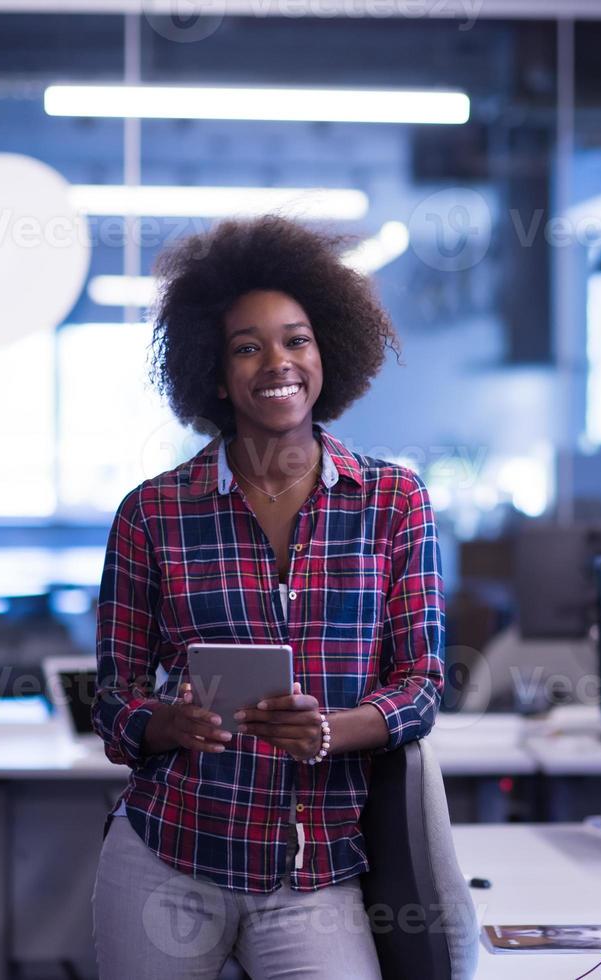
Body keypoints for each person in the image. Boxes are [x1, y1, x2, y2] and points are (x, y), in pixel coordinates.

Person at [90, 215, 445, 979]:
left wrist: (330, 731)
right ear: (215, 375)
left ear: (328, 352)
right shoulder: (153, 513)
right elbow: (111, 701)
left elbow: (420, 688)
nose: (276, 362)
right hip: (170, 854)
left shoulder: (392, 501)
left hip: (313, 869)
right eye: (247, 346)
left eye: (296, 340)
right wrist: (164, 723)